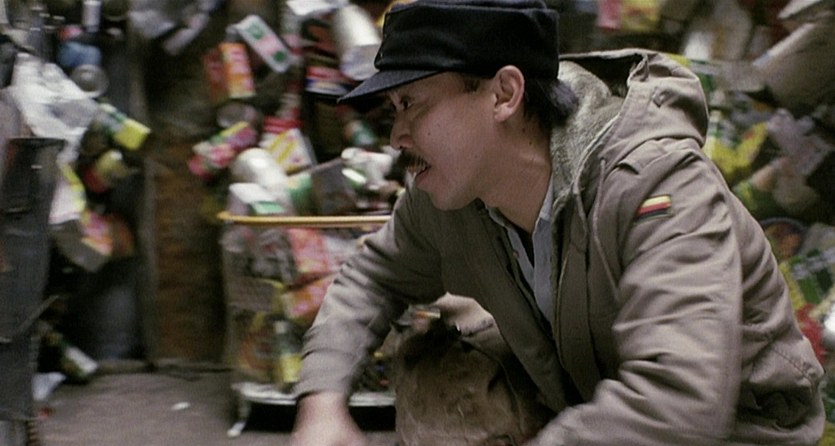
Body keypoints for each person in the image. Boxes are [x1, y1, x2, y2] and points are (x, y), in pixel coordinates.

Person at [290, 0, 826, 445]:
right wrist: (322, 404)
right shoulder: (450, 197)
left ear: (504, 93)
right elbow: (372, 276)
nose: (397, 136)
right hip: (595, 411)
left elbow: (678, 398)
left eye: (412, 104)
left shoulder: (655, 184)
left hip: (733, 432)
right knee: (442, 374)